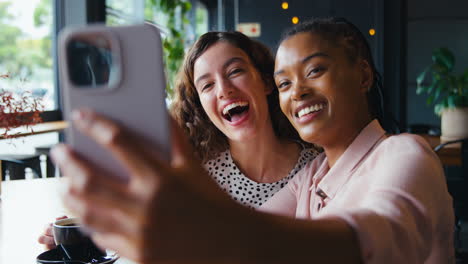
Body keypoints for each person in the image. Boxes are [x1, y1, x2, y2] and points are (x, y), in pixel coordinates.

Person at [50, 17, 454, 264]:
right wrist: (111, 227)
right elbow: (245, 228)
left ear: (363, 76)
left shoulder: (405, 153)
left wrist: (217, 233)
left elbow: (383, 237)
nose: (296, 92)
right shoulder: (312, 176)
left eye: (314, 71)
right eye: (284, 82)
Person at [38, 31, 318, 249]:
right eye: (207, 85)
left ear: (266, 82)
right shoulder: (195, 177)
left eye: (235, 72)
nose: (223, 90)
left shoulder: (318, 169)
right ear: (201, 105)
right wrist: (87, 232)